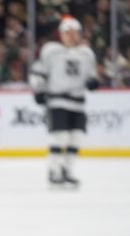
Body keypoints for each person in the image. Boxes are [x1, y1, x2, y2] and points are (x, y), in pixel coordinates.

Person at [29, 16, 99, 187]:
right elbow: (38, 72)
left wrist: (93, 82)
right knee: (60, 137)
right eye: (67, 32)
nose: (71, 35)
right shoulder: (51, 51)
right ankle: (54, 170)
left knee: (76, 138)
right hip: (57, 101)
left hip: (78, 102)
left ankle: (67, 170)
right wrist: (38, 90)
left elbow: (92, 76)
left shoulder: (86, 53)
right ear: (61, 34)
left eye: (75, 32)